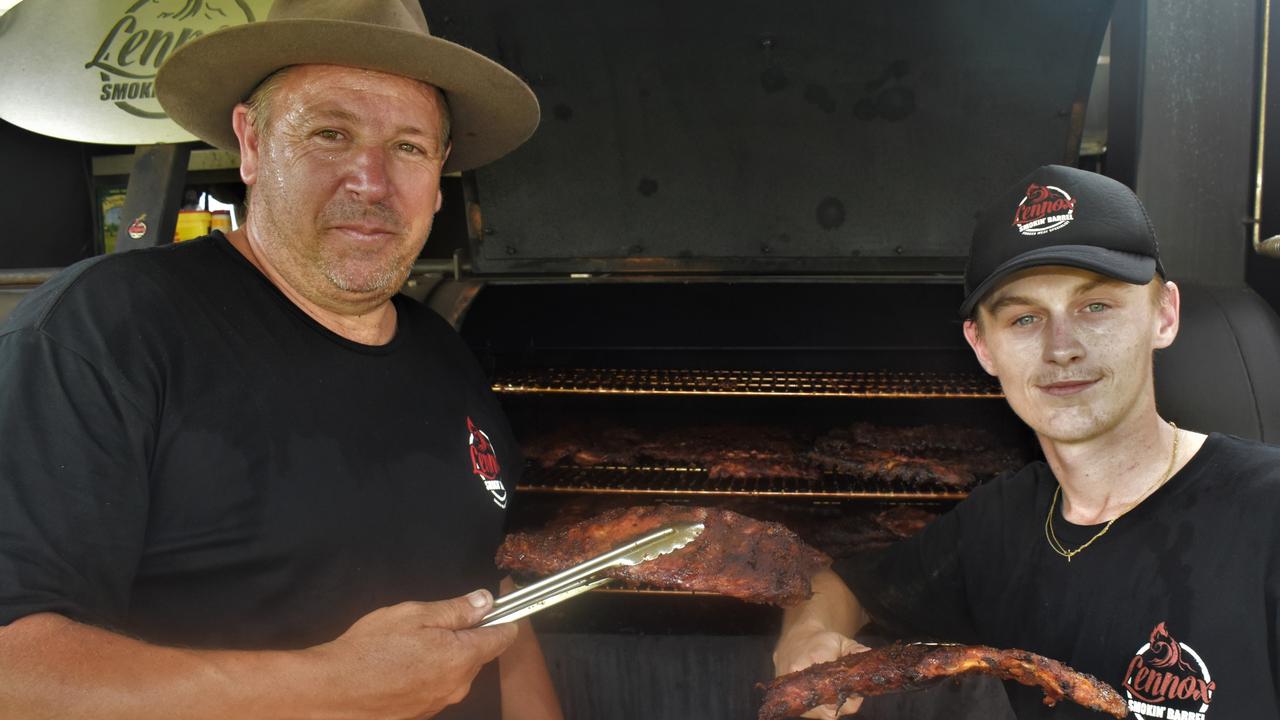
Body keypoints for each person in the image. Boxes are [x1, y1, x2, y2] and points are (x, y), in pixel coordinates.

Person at [0, 2, 560, 718]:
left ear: (440, 171)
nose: (371, 181)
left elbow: (495, 608)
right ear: (252, 142)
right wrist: (331, 688)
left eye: (409, 147)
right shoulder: (108, 329)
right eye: (331, 133)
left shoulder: (440, 350)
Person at [773, 164, 1280, 719]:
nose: (1062, 347)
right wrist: (806, 639)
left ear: (1164, 315)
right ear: (982, 346)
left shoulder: (1265, 509)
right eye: (1023, 319)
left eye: (1095, 306)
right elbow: (843, 585)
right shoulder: (998, 524)